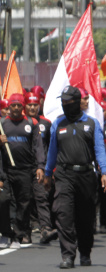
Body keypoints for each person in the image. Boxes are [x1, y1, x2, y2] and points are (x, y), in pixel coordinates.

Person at [44, 86, 106, 268]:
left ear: (78, 102)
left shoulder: (92, 123)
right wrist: (48, 173)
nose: (65, 105)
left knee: (85, 217)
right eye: (63, 102)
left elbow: (99, 149)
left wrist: (104, 171)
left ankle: (85, 252)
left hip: (87, 175)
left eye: (69, 102)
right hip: (64, 175)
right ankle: (68, 255)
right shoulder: (58, 123)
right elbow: (52, 151)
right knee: (64, 214)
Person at [0, 94, 45, 245]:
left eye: (19, 105)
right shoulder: (2, 124)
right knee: (5, 200)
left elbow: (38, 147)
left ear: (23, 107)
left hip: (25, 170)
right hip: (6, 170)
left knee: (24, 202)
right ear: (9, 107)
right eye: (13, 105)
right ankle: (7, 231)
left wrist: (40, 166)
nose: (16, 108)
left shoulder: (31, 123)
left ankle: (23, 231)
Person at [25, 93, 56, 244]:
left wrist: (49, 169)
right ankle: (26, 231)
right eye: (29, 105)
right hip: (22, 167)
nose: (32, 107)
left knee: (41, 197)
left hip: (40, 167)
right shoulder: (20, 123)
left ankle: (46, 229)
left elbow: (51, 147)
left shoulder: (47, 123)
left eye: (35, 105)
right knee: (25, 199)